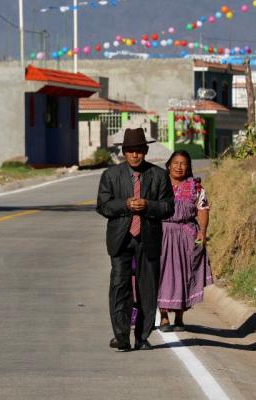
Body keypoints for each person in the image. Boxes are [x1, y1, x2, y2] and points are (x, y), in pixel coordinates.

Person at [97, 128, 175, 351]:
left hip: (148, 238)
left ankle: (142, 336)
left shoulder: (159, 175)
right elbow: (103, 205)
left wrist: (148, 206)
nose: (135, 155)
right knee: (120, 286)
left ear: (146, 151)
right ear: (123, 152)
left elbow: (169, 207)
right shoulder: (111, 176)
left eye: (139, 150)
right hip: (121, 239)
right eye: (130, 150)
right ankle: (121, 336)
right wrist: (126, 205)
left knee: (147, 289)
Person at [158, 150, 214, 332]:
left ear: (188, 167)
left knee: (185, 274)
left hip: (188, 236)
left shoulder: (196, 187)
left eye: (183, 163)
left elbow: (203, 209)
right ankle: (164, 317)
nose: (179, 167)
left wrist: (202, 232)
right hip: (163, 233)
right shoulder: (158, 185)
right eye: (175, 163)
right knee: (162, 273)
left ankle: (180, 317)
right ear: (168, 165)